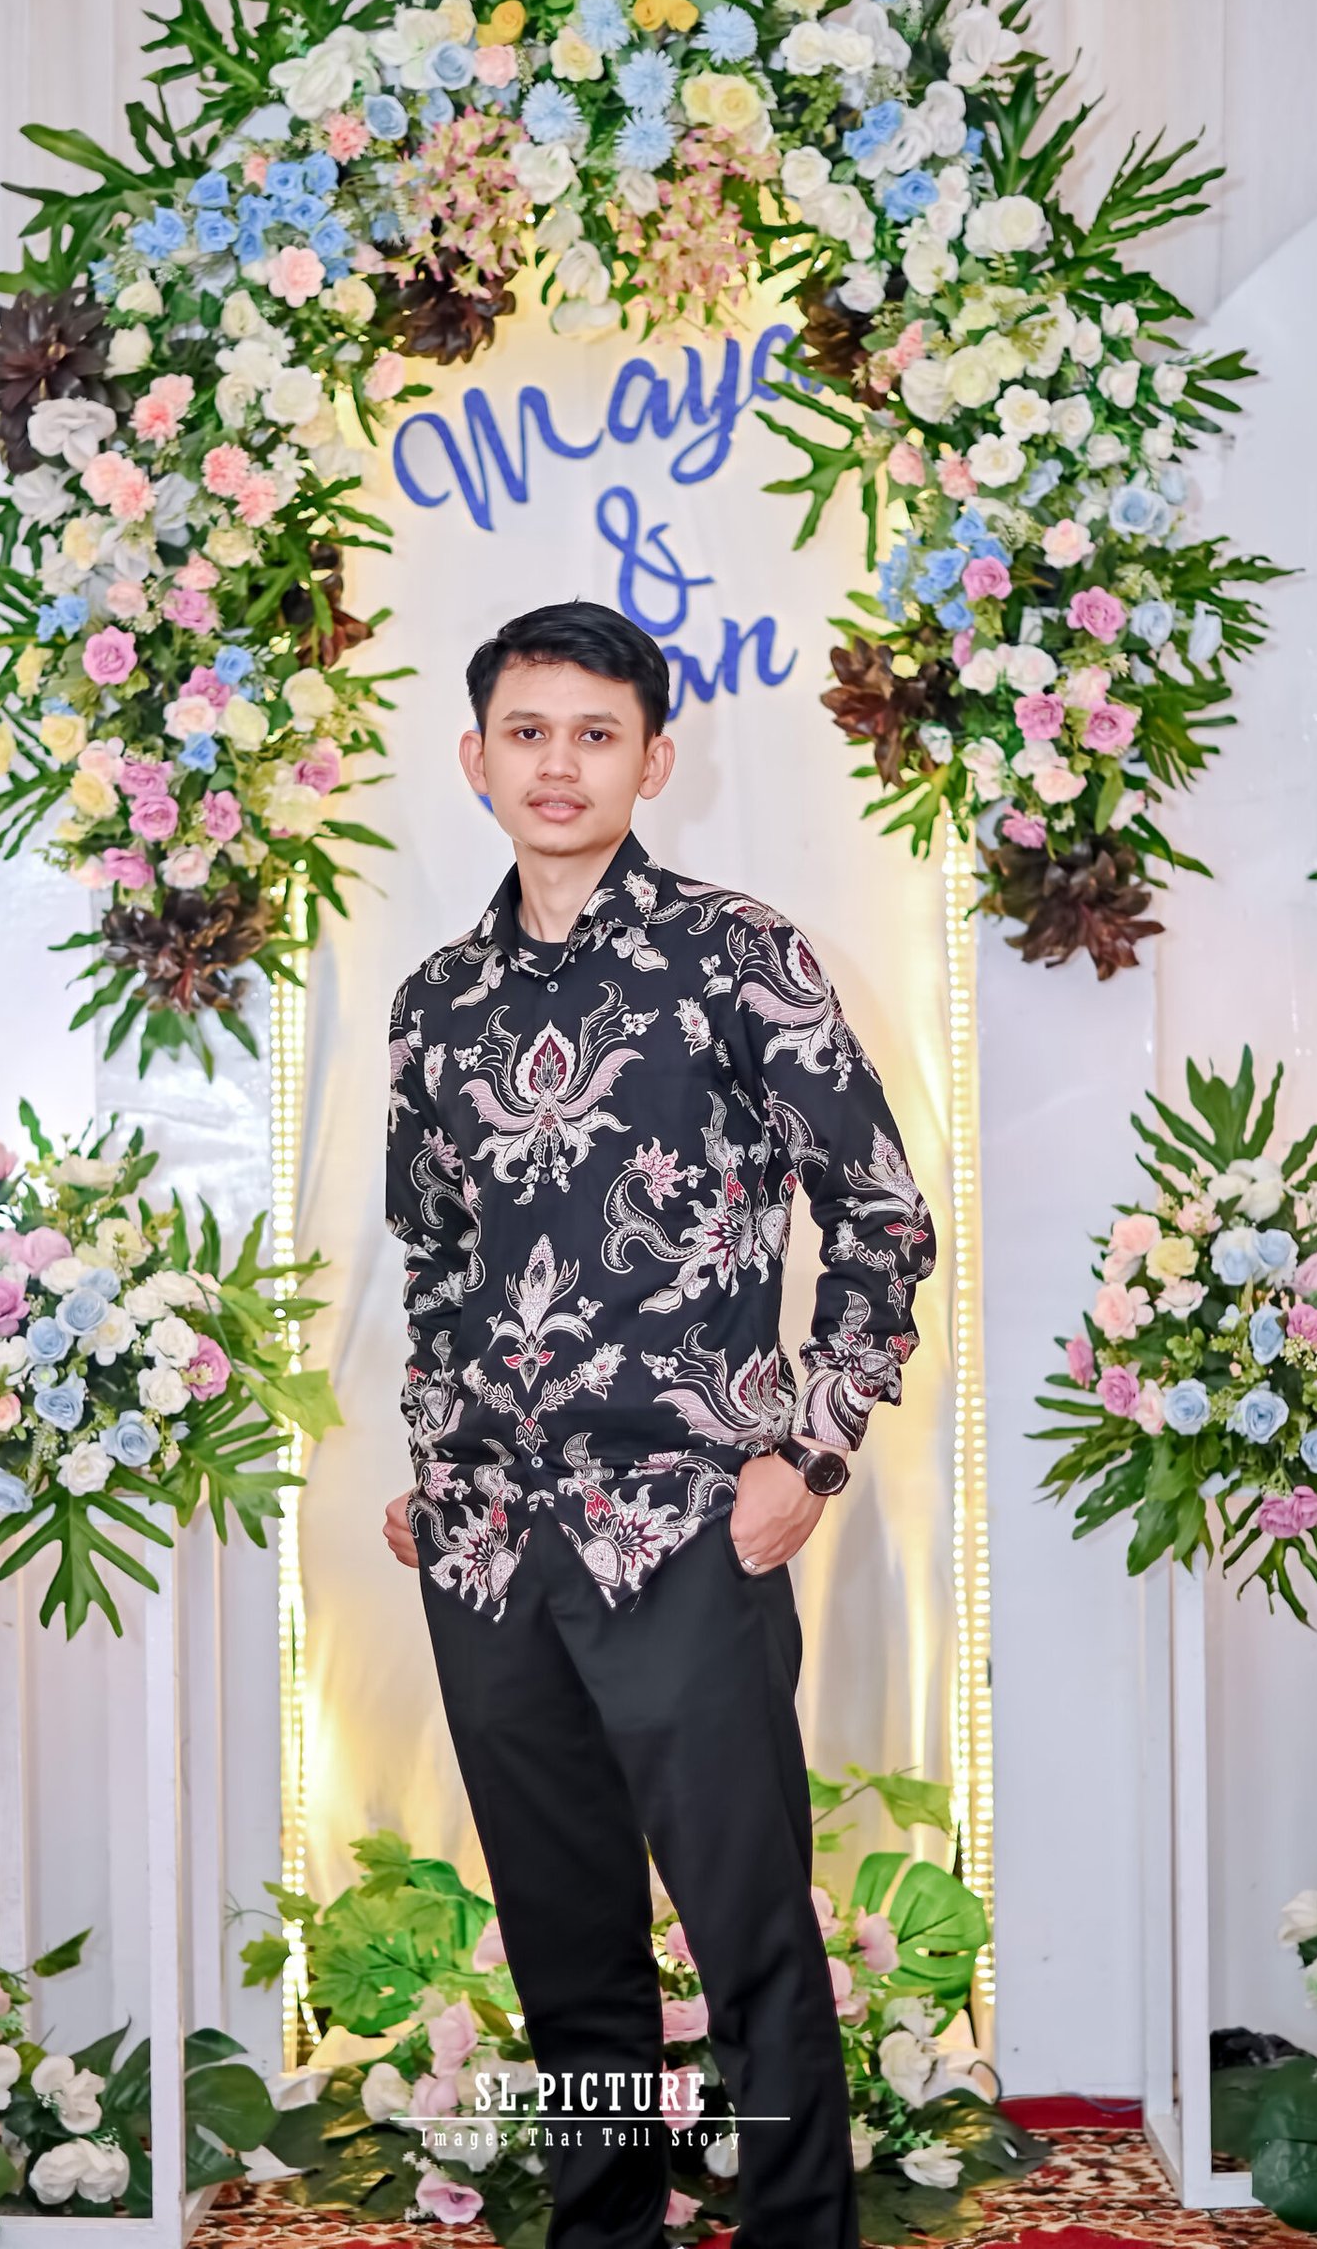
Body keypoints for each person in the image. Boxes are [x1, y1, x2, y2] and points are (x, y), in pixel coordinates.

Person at [382, 600, 936, 2249]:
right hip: (490, 1551)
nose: (559, 765)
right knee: (567, 1948)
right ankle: (606, 2229)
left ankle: (799, 2233)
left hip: (689, 1524)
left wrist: (809, 1452)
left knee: (752, 1937)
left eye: (595, 734)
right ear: (476, 758)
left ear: (655, 760)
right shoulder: (434, 1002)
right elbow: (436, 1262)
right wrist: (435, 1463)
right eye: (528, 733)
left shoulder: (737, 955)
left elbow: (882, 1218)